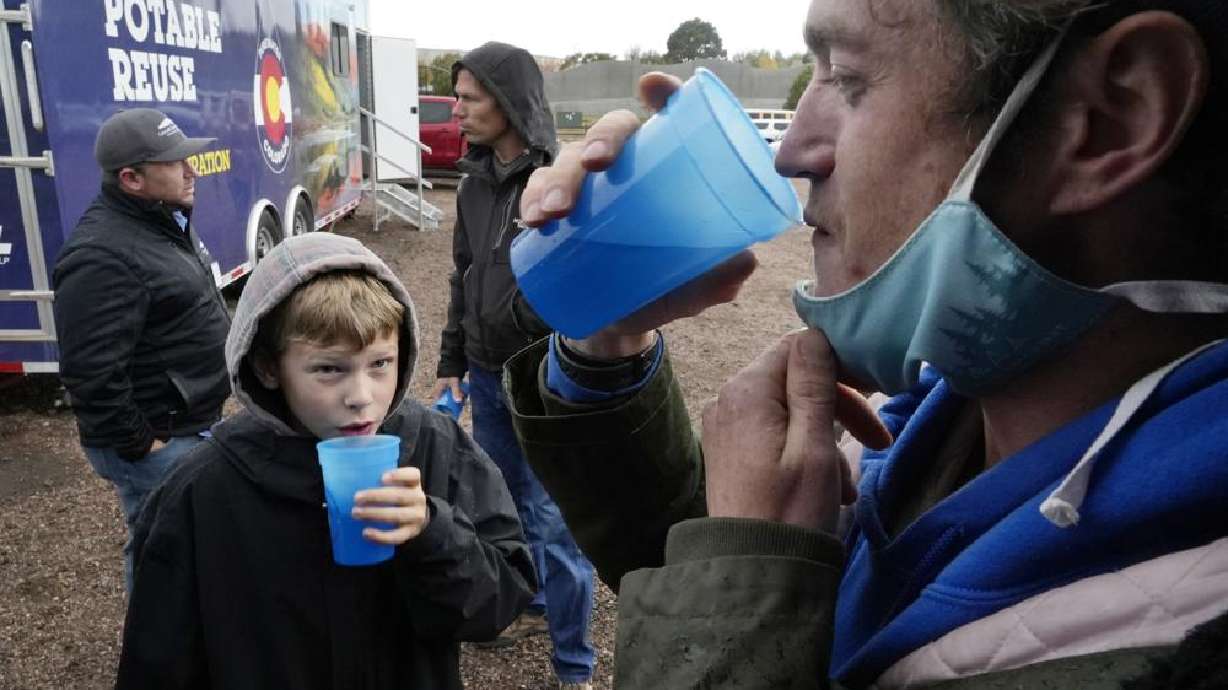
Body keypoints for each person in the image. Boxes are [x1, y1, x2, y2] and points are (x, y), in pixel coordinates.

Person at [504, 1, 1228, 688]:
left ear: (1109, 120)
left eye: (848, 80)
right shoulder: (927, 411)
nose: (791, 153)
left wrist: (753, 569)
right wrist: (611, 342)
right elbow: (735, 592)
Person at [114, 233, 536, 689]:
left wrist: (432, 532)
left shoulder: (434, 445)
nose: (362, 397)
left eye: (380, 364)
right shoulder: (202, 490)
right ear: (267, 368)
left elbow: (500, 601)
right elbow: (157, 661)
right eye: (329, 369)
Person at [431, 41, 597, 689]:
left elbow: (585, 285)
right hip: (482, 372)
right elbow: (462, 274)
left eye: (469, 99)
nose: (458, 109)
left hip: (543, 381)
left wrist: (544, 343)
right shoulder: (472, 182)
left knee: (555, 521)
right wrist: (452, 359)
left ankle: (575, 666)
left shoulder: (563, 180)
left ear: (507, 103)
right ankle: (527, 603)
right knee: (500, 504)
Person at [52, 108, 230, 591]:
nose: (192, 171)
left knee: (189, 542)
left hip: (188, 420)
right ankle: (158, 655)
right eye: (176, 164)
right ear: (131, 178)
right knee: (162, 548)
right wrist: (144, 445)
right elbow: (89, 373)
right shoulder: (102, 256)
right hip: (160, 435)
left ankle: (185, 640)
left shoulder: (160, 221)